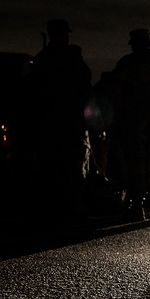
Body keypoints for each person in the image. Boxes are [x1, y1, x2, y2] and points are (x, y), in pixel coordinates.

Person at [27, 19, 92, 219]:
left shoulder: (41, 59)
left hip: (48, 122)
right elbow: (85, 86)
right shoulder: (71, 59)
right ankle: (71, 206)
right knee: (73, 165)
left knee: (51, 165)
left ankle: (52, 207)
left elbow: (33, 92)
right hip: (70, 122)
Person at [108, 28, 150, 221]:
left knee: (137, 160)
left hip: (135, 117)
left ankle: (138, 206)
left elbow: (116, 91)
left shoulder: (128, 63)